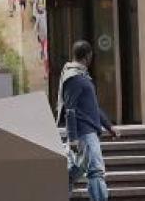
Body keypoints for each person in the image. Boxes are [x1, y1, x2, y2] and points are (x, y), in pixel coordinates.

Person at [58, 40, 114, 201]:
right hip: (84, 133)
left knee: (75, 169)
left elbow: (93, 107)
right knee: (96, 171)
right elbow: (70, 110)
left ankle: (58, 187)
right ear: (88, 56)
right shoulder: (73, 78)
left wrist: (109, 127)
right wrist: (73, 137)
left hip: (88, 131)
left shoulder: (82, 76)